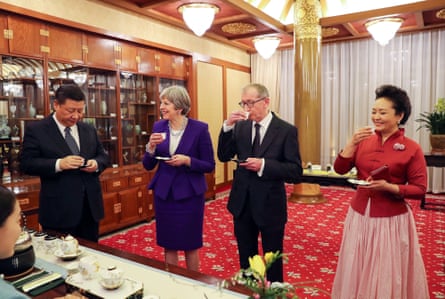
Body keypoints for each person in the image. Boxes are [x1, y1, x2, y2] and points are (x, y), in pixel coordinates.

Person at [331, 85, 429, 298]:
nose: (376, 116)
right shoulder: (364, 140)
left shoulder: (412, 148)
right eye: (374, 111)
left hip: (390, 219)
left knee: (384, 269)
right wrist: (350, 144)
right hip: (359, 214)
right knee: (357, 263)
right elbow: (340, 169)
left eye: (383, 112)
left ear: (399, 115)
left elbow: (420, 189)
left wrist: (390, 187)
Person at [217, 83, 302, 282]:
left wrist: (264, 165)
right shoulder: (241, 127)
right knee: (246, 259)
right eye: (243, 103)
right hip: (242, 203)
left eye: (250, 103)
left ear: (266, 102)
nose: (246, 109)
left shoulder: (286, 130)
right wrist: (227, 126)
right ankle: (249, 291)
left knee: (272, 259)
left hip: (270, 205)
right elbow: (223, 155)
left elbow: (295, 172)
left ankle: (273, 292)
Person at [20, 84, 110, 243]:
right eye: (70, 110)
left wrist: (95, 164)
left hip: (90, 208)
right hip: (58, 210)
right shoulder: (38, 130)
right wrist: (59, 164)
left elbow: (103, 156)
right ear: (56, 105)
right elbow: (27, 164)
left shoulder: (88, 129)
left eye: (80, 111)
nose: (76, 116)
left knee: (92, 256)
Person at [142, 85, 215, 271]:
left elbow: (209, 165)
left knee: (191, 244)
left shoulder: (199, 129)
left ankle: (193, 284)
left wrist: (188, 160)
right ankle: (172, 282)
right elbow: (148, 165)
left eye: (166, 103)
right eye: (161, 103)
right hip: (164, 194)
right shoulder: (158, 126)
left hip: (189, 195)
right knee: (169, 243)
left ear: (180, 107)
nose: (161, 107)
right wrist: (150, 147)